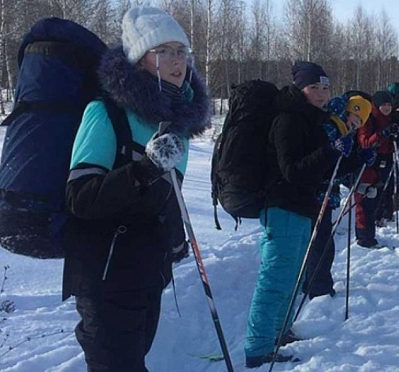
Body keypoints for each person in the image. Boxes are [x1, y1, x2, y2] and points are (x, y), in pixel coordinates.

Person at [62, 7, 211, 371]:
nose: (177, 61)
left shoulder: (176, 122)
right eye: (163, 51)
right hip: (104, 276)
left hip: (148, 271)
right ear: (139, 59)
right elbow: (80, 198)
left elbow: (164, 198)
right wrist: (144, 169)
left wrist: (174, 242)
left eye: (181, 51)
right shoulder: (105, 113)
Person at [244, 61, 344, 368]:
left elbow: (318, 168)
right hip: (283, 207)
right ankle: (258, 348)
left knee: (292, 276)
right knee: (275, 278)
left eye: (325, 88)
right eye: (314, 87)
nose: (321, 93)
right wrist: (328, 151)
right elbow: (292, 172)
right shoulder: (287, 120)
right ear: (300, 88)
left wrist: (349, 159)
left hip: (302, 208)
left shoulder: (311, 120)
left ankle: (279, 332)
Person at [303, 93, 375, 300]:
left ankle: (315, 284)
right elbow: (326, 164)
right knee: (321, 243)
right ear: (348, 112)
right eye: (356, 118)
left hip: (327, 192)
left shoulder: (343, 130)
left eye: (361, 122)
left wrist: (359, 159)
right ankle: (318, 288)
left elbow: (340, 167)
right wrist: (347, 158)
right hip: (317, 193)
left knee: (323, 242)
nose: (357, 124)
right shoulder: (331, 127)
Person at [356, 91, 394, 247]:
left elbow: (387, 144)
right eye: (383, 105)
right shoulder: (368, 119)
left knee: (375, 198)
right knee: (365, 201)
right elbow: (365, 143)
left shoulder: (387, 119)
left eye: (389, 105)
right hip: (368, 164)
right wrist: (382, 134)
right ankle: (364, 238)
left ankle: (369, 235)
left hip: (382, 162)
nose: (386, 108)